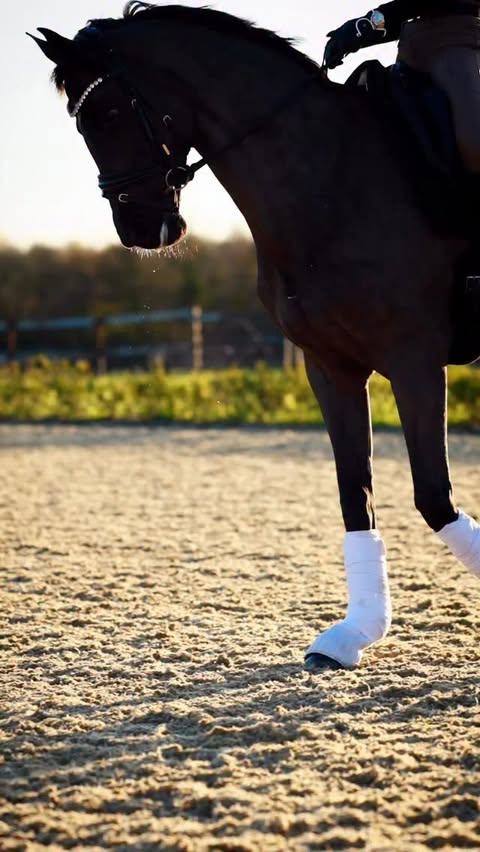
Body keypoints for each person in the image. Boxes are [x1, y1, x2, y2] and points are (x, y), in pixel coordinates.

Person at [324, 2, 480, 174]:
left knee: (474, 143)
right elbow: (404, 11)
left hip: (456, 43)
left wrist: (362, 26)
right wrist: (358, 31)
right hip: (410, 50)